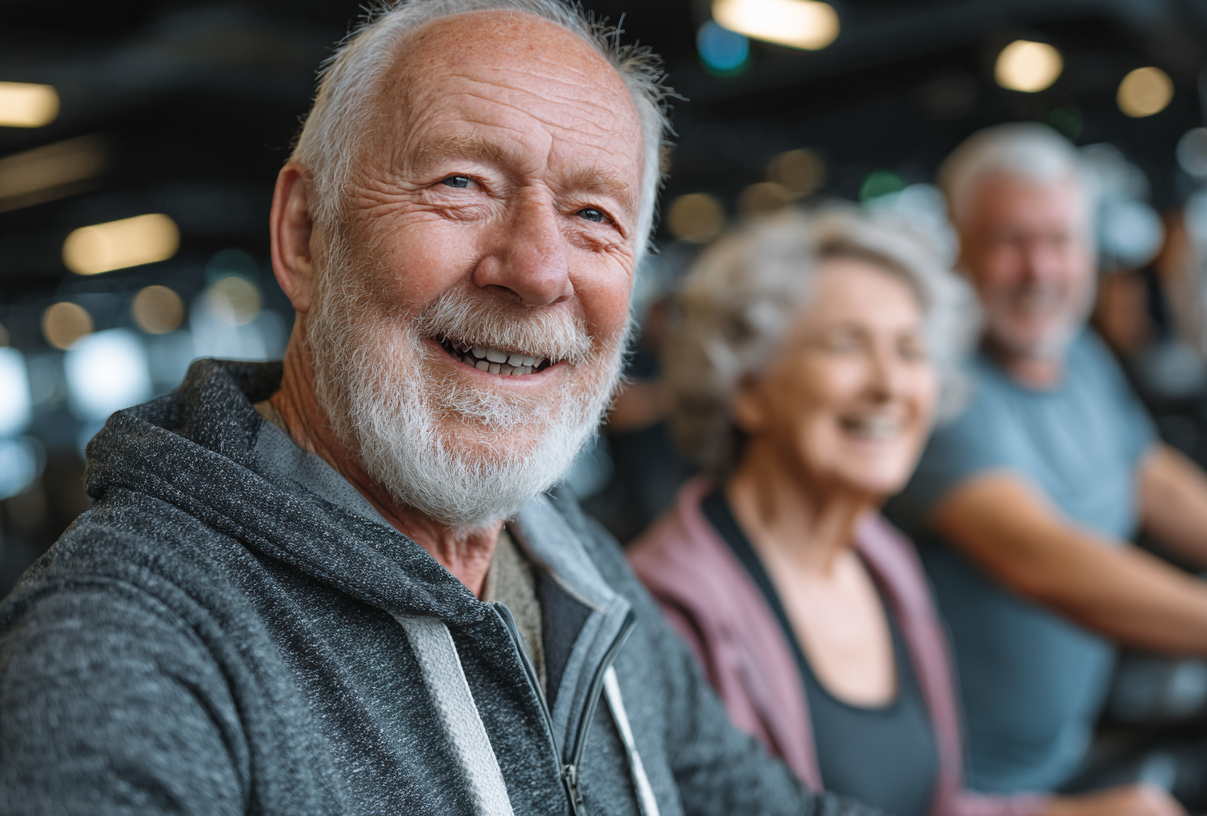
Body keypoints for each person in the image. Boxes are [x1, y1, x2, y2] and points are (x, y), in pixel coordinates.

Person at [0, 3, 883, 814]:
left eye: (593, 215)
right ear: (306, 235)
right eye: (462, 183)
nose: (539, 270)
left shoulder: (570, 560)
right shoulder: (124, 647)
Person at [883, 123, 1207, 795]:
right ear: (958, 254)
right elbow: (1043, 559)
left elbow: (1150, 477)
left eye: (1059, 242)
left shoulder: (1077, 357)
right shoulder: (943, 391)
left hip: (1062, 756)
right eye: (1010, 242)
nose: (1040, 271)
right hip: (954, 791)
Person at [630, 207, 1185, 816]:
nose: (891, 385)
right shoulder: (670, 614)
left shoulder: (882, 557)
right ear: (748, 389)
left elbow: (934, 806)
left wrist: (1070, 815)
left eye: (910, 350)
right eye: (847, 345)